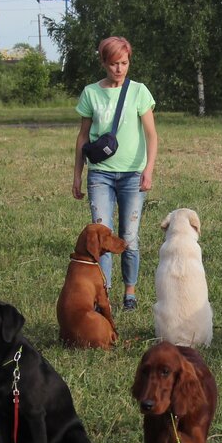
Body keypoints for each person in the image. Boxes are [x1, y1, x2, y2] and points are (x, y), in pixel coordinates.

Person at [72, 36, 158, 311]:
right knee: (101, 236)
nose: (119, 69)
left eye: (124, 63)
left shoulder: (139, 91)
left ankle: (129, 292)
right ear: (103, 63)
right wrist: (77, 174)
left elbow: (152, 135)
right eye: (113, 64)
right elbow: (82, 137)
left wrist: (148, 170)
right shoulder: (90, 93)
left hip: (133, 175)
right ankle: (103, 293)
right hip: (100, 175)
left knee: (129, 236)